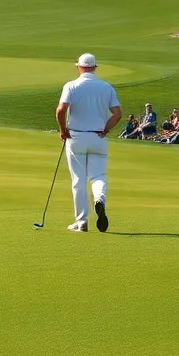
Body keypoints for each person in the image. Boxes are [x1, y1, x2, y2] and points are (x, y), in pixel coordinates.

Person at [54, 53, 122, 233]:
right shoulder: (106, 87)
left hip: (76, 137)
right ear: (94, 67)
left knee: (78, 180)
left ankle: (81, 222)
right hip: (98, 138)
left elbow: (61, 110)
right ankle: (100, 199)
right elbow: (117, 114)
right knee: (98, 176)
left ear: (79, 67)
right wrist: (106, 129)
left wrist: (63, 130)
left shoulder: (71, 86)